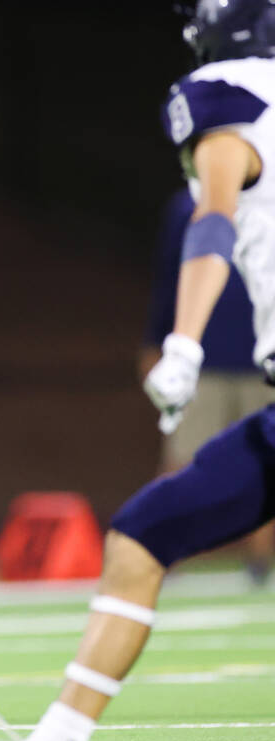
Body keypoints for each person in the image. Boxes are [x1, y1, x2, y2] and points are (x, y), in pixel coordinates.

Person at [0, 3, 275, 741]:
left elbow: (214, 219)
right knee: (141, 535)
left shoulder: (228, 94)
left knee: (142, 535)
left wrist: (184, 339)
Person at [141, 188, 275, 587]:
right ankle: (161, 557)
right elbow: (170, 278)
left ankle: (259, 563)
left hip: (265, 355)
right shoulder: (187, 205)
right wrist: (158, 341)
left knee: (268, 461)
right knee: (182, 459)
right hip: (203, 356)